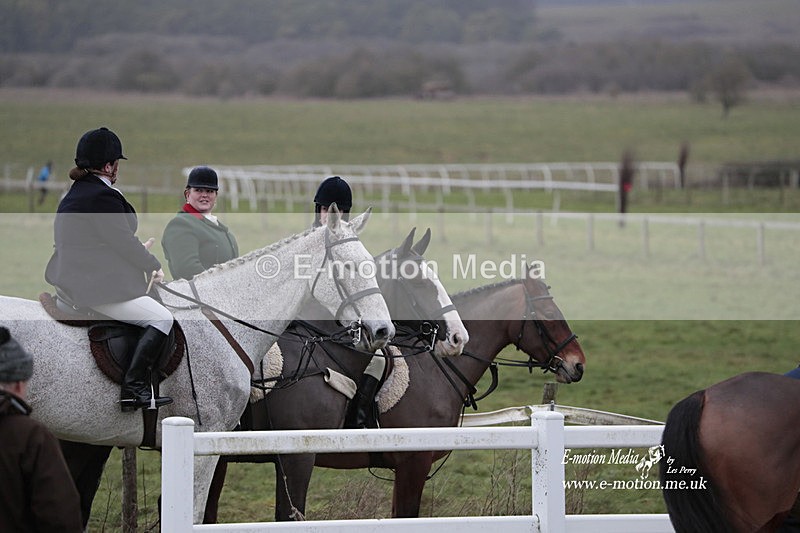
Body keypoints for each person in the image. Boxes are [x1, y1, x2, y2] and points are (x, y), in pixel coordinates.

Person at [44, 127, 173, 412]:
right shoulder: (102, 197)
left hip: (73, 278)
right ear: (108, 166)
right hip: (94, 288)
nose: (117, 169)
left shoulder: (77, 193)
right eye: (116, 163)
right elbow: (124, 242)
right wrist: (152, 264)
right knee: (161, 318)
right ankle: (133, 388)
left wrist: (134, 252)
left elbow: (102, 243)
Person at [313, 176, 383, 429]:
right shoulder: (305, 242)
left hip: (342, 324)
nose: (331, 214)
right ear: (319, 210)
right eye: (326, 209)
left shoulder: (348, 245)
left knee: (379, 359)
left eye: (340, 210)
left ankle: (360, 416)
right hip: (309, 326)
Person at [0, 326, 83, 532]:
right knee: (159, 320)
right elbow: (61, 520)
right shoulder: (30, 437)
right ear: (19, 384)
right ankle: (136, 387)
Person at [161, 166, 239, 280]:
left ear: (216, 196)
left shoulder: (219, 227)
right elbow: (187, 269)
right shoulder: (181, 224)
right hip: (197, 295)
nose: (204, 195)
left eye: (210, 191)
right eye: (198, 190)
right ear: (187, 194)